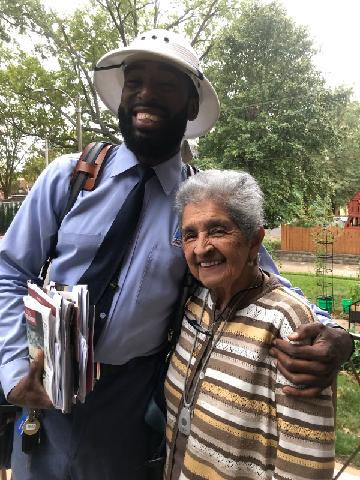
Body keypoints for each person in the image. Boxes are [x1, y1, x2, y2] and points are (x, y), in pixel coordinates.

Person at [0, 29, 351, 479]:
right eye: (135, 82)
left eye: (166, 84)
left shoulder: (203, 206)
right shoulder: (70, 177)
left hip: (127, 403)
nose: (146, 94)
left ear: (190, 104)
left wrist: (332, 333)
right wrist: (13, 371)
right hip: (43, 384)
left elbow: (264, 281)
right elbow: (10, 271)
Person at [165, 169, 335, 479]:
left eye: (217, 230)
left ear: (254, 240)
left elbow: (305, 467)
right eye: (190, 234)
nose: (201, 248)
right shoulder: (195, 305)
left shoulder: (289, 323)